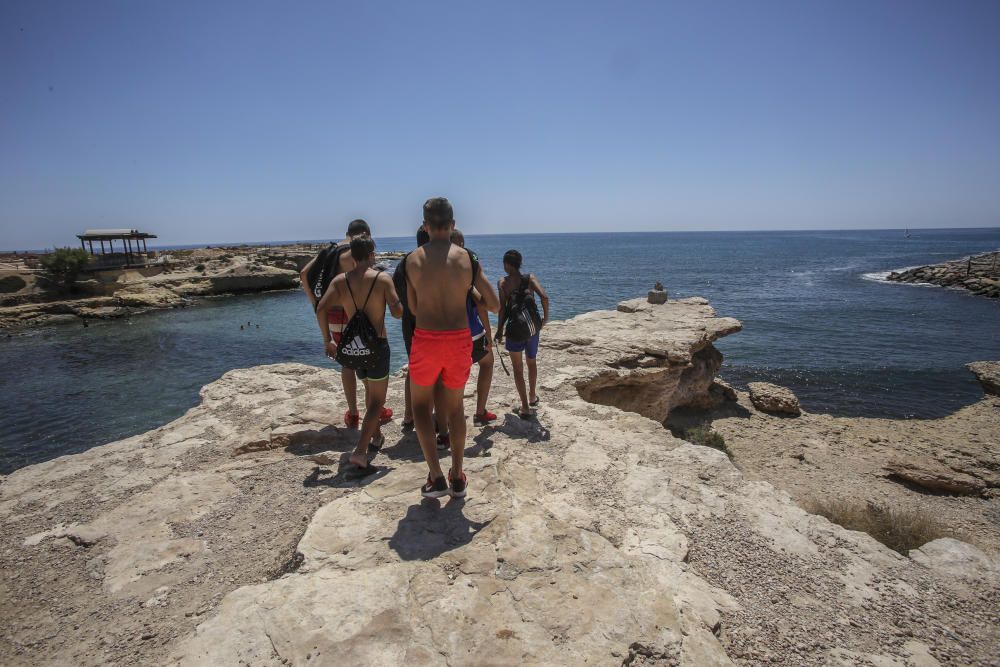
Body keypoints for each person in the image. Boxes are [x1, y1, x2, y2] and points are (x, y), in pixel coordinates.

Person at [405, 197, 499, 498]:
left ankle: (435, 476)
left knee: (421, 405)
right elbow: (494, 304)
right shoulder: (467, 259)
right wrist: (468, 291)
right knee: (456, 406)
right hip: (459, 340)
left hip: (427, 338)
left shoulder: (412, 260)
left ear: (425, 226)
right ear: (453, 225)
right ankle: (458, 475)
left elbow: (413, 307)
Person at [315, 235, 403, 468]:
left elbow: (321, 308)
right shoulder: (382, 279)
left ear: (352, 256)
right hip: (377, 347)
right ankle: (361, 450)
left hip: (355, 347)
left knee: (368, 390)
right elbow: (397, 313)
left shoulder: (340, 281)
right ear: (372, 254)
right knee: (377, 400)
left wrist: (327, 341)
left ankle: (375, 436)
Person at [301, 219, 392, 428]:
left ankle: (352, 413)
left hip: (333, 314)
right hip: (352, 313)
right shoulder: (353, 253)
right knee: (368, 356)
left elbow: (305, 274)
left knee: (348, 362)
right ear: (365, 234)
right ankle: (375, 407)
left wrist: (316, 303)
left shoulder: (331, 250)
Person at [450, 229, 497, 426]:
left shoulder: (434, 266)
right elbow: (483, 305)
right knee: (487, 363)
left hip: (444, 333)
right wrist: (489, 333)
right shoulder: (468, 263)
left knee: (450, 379)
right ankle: (479, 413)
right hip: (472, 333)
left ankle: (447, 421)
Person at [496, 249, 550, 419]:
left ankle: (525, 407)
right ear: (519, 264)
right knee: (531, 362)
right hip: (532, 329)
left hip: (515, 331)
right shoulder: (529, 278)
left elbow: (502, 310)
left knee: (518, 369)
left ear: (506, 264)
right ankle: (533, 396)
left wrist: (499, 331)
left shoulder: (502, 283)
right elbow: (545, 298)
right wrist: (544, 320)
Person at [392, 226, 431, 429]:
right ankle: (433, 415)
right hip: (430, 322)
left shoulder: (403, 263)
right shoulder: (432, 263)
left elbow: (395, 295)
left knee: (413, 367)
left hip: (409, 322)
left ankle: (409, 414)